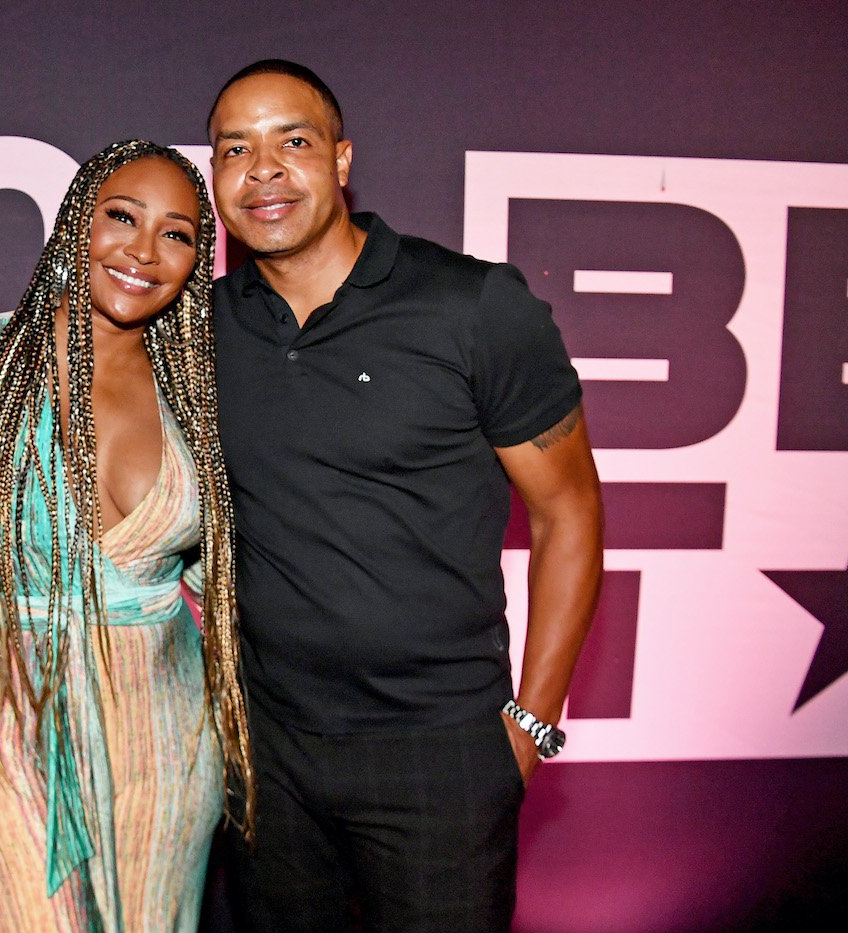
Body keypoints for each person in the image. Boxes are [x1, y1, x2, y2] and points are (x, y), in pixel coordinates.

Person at [206, 61, 605, 931]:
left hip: (441, 750)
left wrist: (530, 728)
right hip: (264, 755)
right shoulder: (202, 327)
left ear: (343, 161)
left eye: (293, 142)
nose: (263, 170)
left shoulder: (472, 306)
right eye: (236, 149)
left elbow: (568, 510)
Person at [0, 140, 254, 933]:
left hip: (166, 745)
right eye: (122, 217)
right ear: (76, 224)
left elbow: (234, 581)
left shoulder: (198, 394)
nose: (144, 250)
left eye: (176, 234)